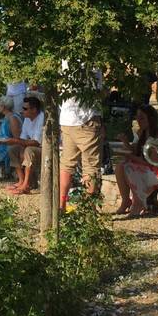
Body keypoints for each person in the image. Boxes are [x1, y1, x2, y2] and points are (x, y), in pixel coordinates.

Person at [59, 61, 104, 210]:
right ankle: (89, 210)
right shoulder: (93, 58)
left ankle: (61, 205)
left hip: (67, 117)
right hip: (86, 118)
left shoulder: (65, 57)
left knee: (66, 164)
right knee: (91, 166)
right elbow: (97, 91)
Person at [115, 105, 158, 217]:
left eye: (142, 118)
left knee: (128, 167)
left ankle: (138, 203)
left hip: (157, 172)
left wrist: (130, 157)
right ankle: (125, 201)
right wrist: (125, 143)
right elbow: (134, 151)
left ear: (150, 118)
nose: (138, 120)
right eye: (137, 117)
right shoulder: (141, 133)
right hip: (145, 168)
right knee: (120, 165)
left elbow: (151, 162)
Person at [6, 96, 44, 195]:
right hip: (32, 145)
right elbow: (23, 137)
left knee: (29, 151)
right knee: (12, 149)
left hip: (43, 148)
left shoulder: (41, 118)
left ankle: (26, 185)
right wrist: (18, 143)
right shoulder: (27, 118)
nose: (23, 111)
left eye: (25, 109)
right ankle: (21, 180)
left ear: (34, 110)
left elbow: (37, 142)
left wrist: (18, 142)